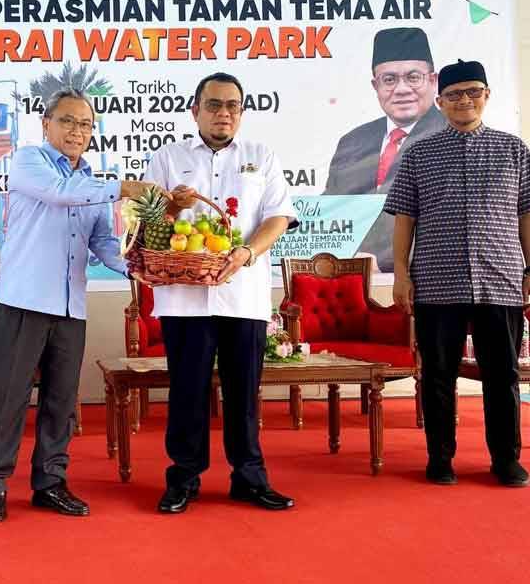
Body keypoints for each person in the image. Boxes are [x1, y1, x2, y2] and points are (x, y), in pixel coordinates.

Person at [0, 88, 161, 522]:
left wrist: (138, 268)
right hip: (25, 300)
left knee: (61, 400)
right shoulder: (28, 161)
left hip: (70, 305)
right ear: (46, 124)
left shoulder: (94, 182)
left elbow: (102, 243)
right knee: (7, 399)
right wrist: (124, 187)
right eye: (68, 121)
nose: (77, 131)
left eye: (85, 124)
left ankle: (50, 482)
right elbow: (59, 193)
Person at [143, 72, 299, 514]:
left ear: (242, 113)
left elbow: (278, 218)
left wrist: (246, 253)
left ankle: (249, 478)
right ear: (195, 111)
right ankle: (184, 479)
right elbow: (149, 225)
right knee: (187, 390)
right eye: (213, 105)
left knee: (243, 391)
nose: (223, 113)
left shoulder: (261, 156)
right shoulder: (168, 158)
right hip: (184, 297)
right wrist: (173, 205)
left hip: (243, 293)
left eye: (232, 105)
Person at [384, 59, 530, 487]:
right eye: (454, 94)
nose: (464, 100)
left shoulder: (513, 149)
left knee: (502, 376)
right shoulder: (420, 153)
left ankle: (506, 460)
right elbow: (404, 219)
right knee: (438, 375)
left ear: (487, 96)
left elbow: (526, 215)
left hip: (500, 278)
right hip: (436, 280)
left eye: (473, 92)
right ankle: (440, 458)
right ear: (440, 101)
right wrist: (401, 276)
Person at [324, 27, 446, 272]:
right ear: (375, 85)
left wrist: (384, 262)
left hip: (426, 277)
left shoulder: (449, 137)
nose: (401, 89)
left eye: (413, 77)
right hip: (352, 278)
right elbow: (332, 211)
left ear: (433, 81)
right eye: (389, 79)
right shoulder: (352, 142)